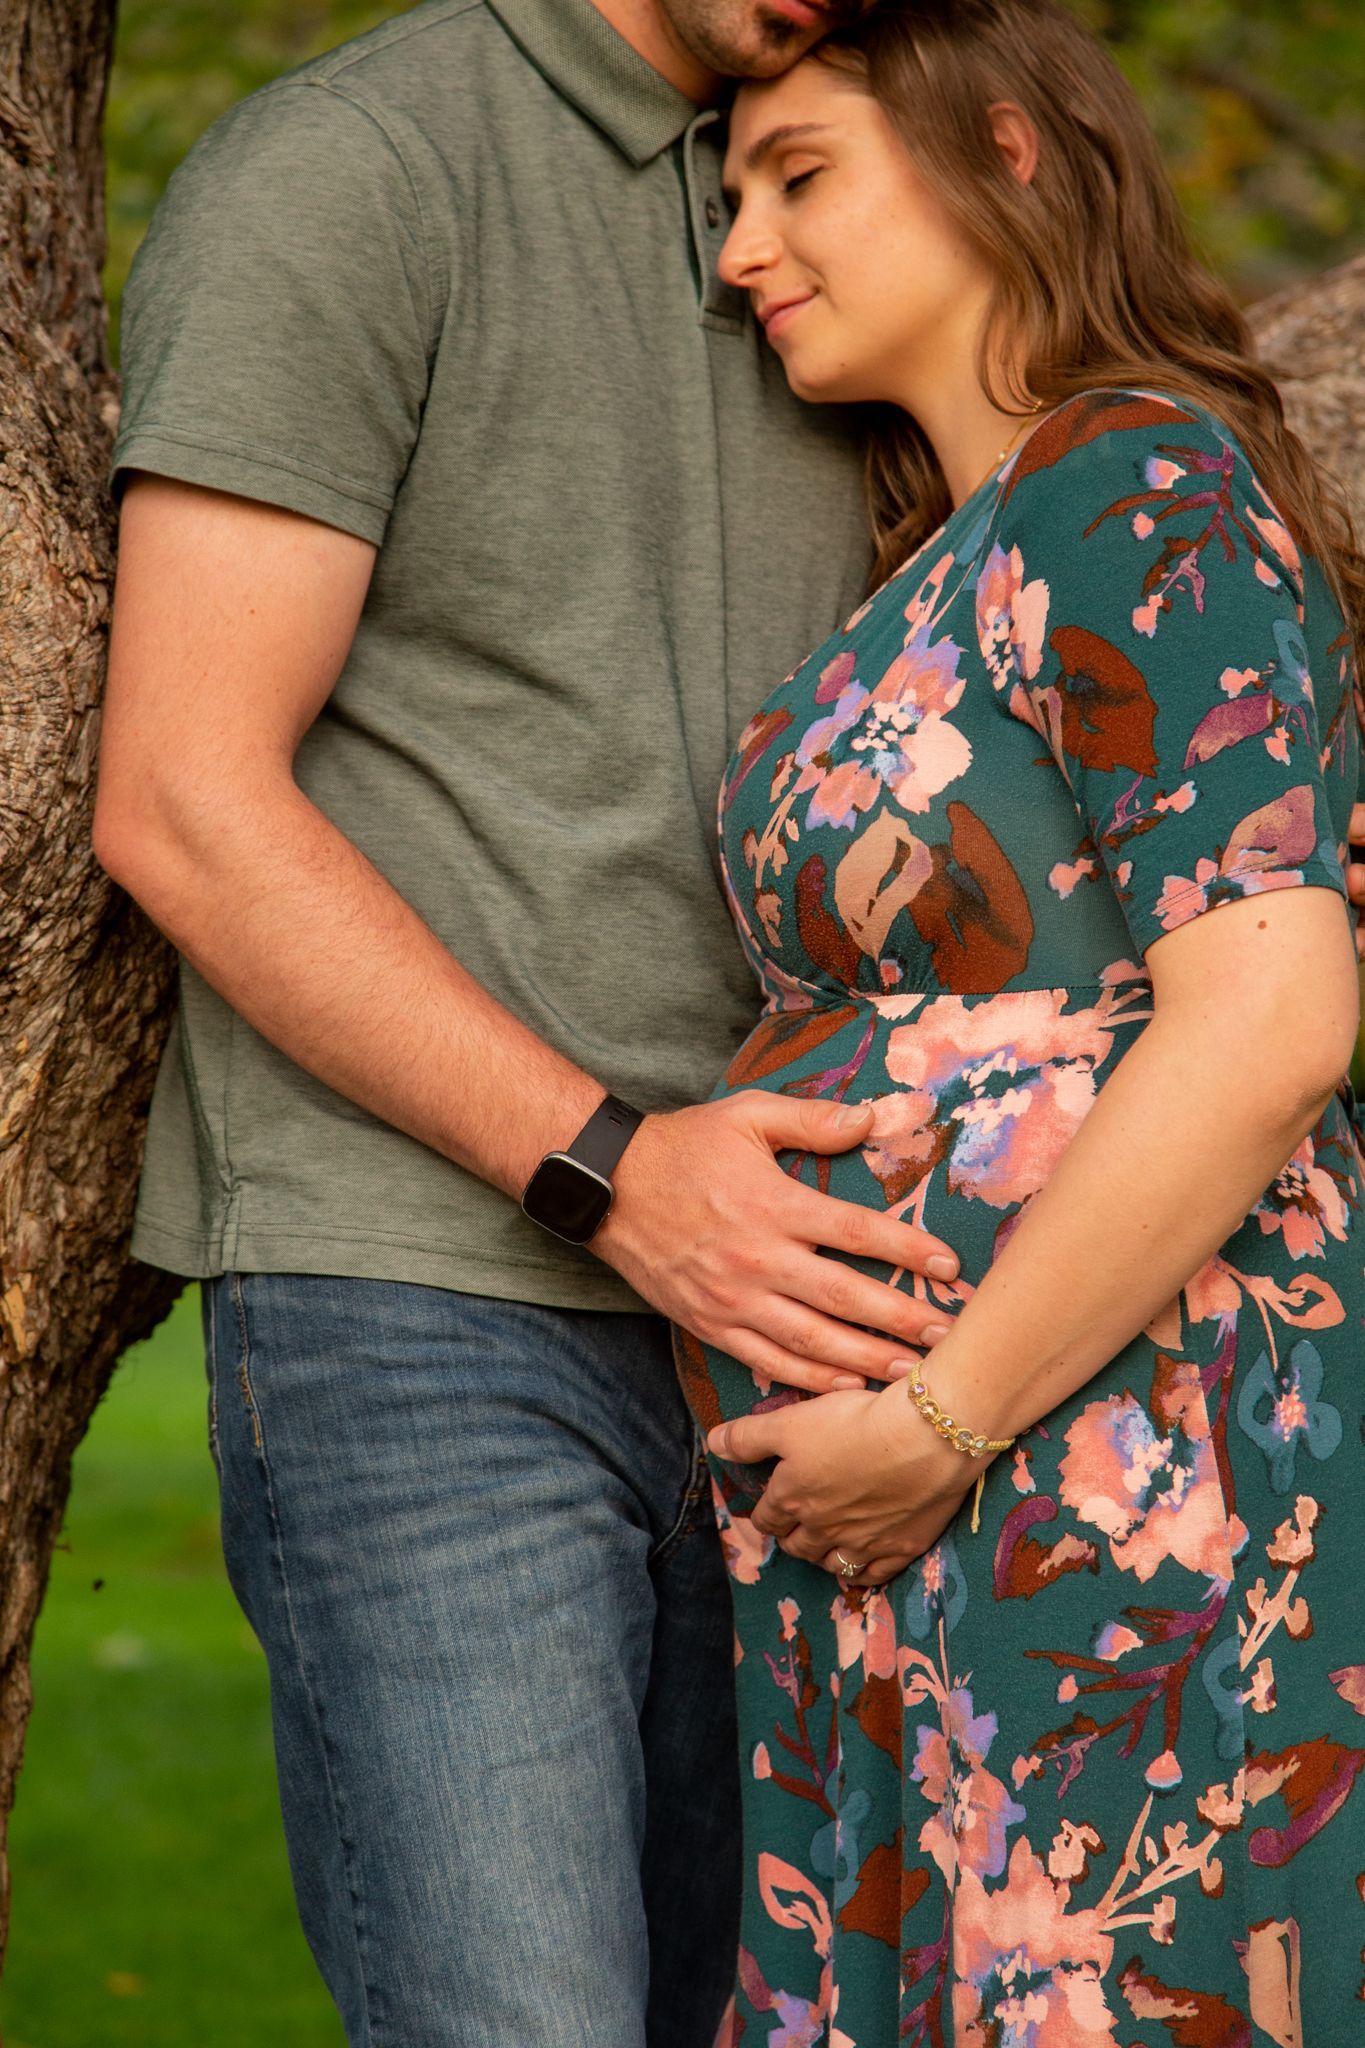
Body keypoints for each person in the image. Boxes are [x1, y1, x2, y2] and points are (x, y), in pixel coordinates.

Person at [89, 0, 976, 2042]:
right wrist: (613, 1172)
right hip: (426, 1315)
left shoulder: (875, 171)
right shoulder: (358, 170)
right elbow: (183, 797)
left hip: (820, 1324)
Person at [686, 1, 1365, 2039]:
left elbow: (1266, 1015)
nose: (738, 248)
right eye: (727, 195)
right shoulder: (951, 555)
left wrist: (939, 1416)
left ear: (1005, 151)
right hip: (954, 1496)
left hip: (1101, 1456)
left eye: (796, 173)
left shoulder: (1128, 482)